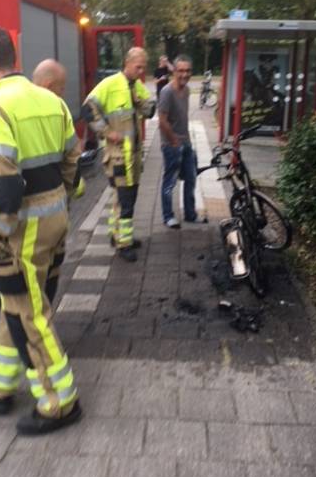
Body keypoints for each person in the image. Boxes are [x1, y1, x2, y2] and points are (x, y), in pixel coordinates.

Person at [0, 26, 83, 436]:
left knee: (29, 312)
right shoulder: (51, 100)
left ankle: (60, 402)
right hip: (56, 220)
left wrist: (0, 235)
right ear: (14, 55)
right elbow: (74, 156)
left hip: (23, 228)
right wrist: (62, 195)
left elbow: (3, 185)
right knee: (16, 302)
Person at [81, 47, 156, 262]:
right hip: (117, 155)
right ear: (127, 62)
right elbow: (87, 109)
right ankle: (124, 244)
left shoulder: (136, 85)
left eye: (143, 67)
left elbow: (150, 111)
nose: (141, 71)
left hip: (133, 155)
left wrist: (138, 101)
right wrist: (106, 132)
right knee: (125, 199)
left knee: (125, 197)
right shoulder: (110, 84)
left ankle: (119, 236)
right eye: (137, 67)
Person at [32, 58, 85, 308]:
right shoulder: (57, 108)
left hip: (22, 217)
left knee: (25, 280)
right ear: (50, 84)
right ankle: (44, 322)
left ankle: (26, 333)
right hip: (56, 211)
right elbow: (73, 160)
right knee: (51, 270)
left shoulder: (11, 108)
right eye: (62, 87)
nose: (63, 93)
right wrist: (72, 189)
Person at [158, 55, 206, 228]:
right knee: (169, 182)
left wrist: (186, 141)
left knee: (191, 178)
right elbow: (162, 121)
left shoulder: (186, 90)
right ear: (174, 72)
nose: (184, 74)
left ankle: (190, 214)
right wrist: (173, 141)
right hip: (171, 145)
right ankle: (168, 216)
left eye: (187, 71)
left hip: (186, 142)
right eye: (181, 70)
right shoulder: (167, 92)